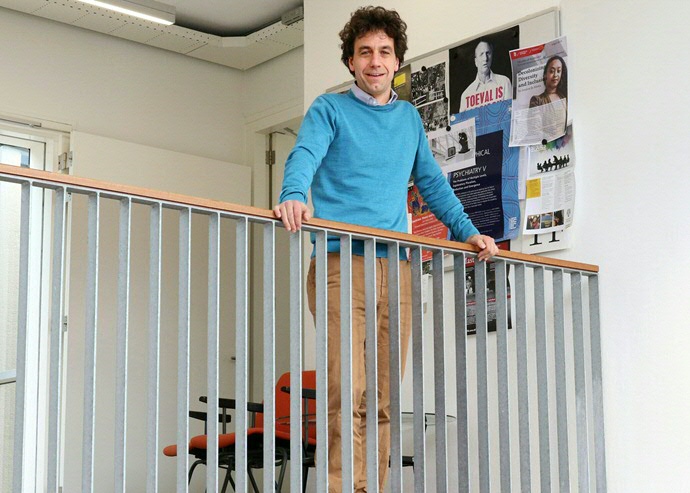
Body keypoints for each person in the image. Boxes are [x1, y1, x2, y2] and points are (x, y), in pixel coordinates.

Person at [273, 6, 498, 492]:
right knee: (345, 389)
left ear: (396, 62)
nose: (375, 62)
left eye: (384, 52)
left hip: (396, 269)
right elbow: (304, 154)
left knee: (382, 397)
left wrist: (468, 231)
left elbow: (432, 184)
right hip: (341, 263)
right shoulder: (329, 110)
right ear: (350, 62)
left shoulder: (409, 119)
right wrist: (293, 193)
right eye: (364, 52)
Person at [459, 40, 512, 112]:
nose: (485, 58)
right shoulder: (466, 95)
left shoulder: (504, 82)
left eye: (488, 53)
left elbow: (510, 114)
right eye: (481, 54)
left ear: (492, 57)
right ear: (476, 61)